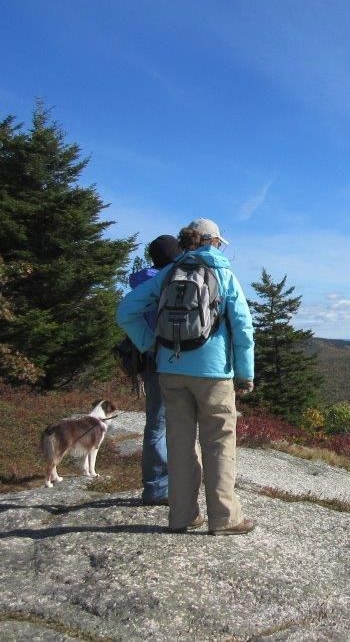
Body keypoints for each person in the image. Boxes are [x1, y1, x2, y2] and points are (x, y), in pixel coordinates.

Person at [117, 218, 256, 536]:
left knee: (179, 442)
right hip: (213, 372)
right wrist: (245, 374)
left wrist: (151, 344)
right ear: (214, 243)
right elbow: (243, 328)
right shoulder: (223, 274)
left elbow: (125, 312)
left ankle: (182, 516)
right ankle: (224, 518)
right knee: (219, 442)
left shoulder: (167, 274)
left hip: (170, 369)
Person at [128, 234, 182, 506]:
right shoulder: (170, 280)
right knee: (173, 425)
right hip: (175, 358)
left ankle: (154, 486)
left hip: (150, 359)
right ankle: (165, 488)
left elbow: (128, 315)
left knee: (155, 425)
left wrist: (146, 343)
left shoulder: (140, 282)